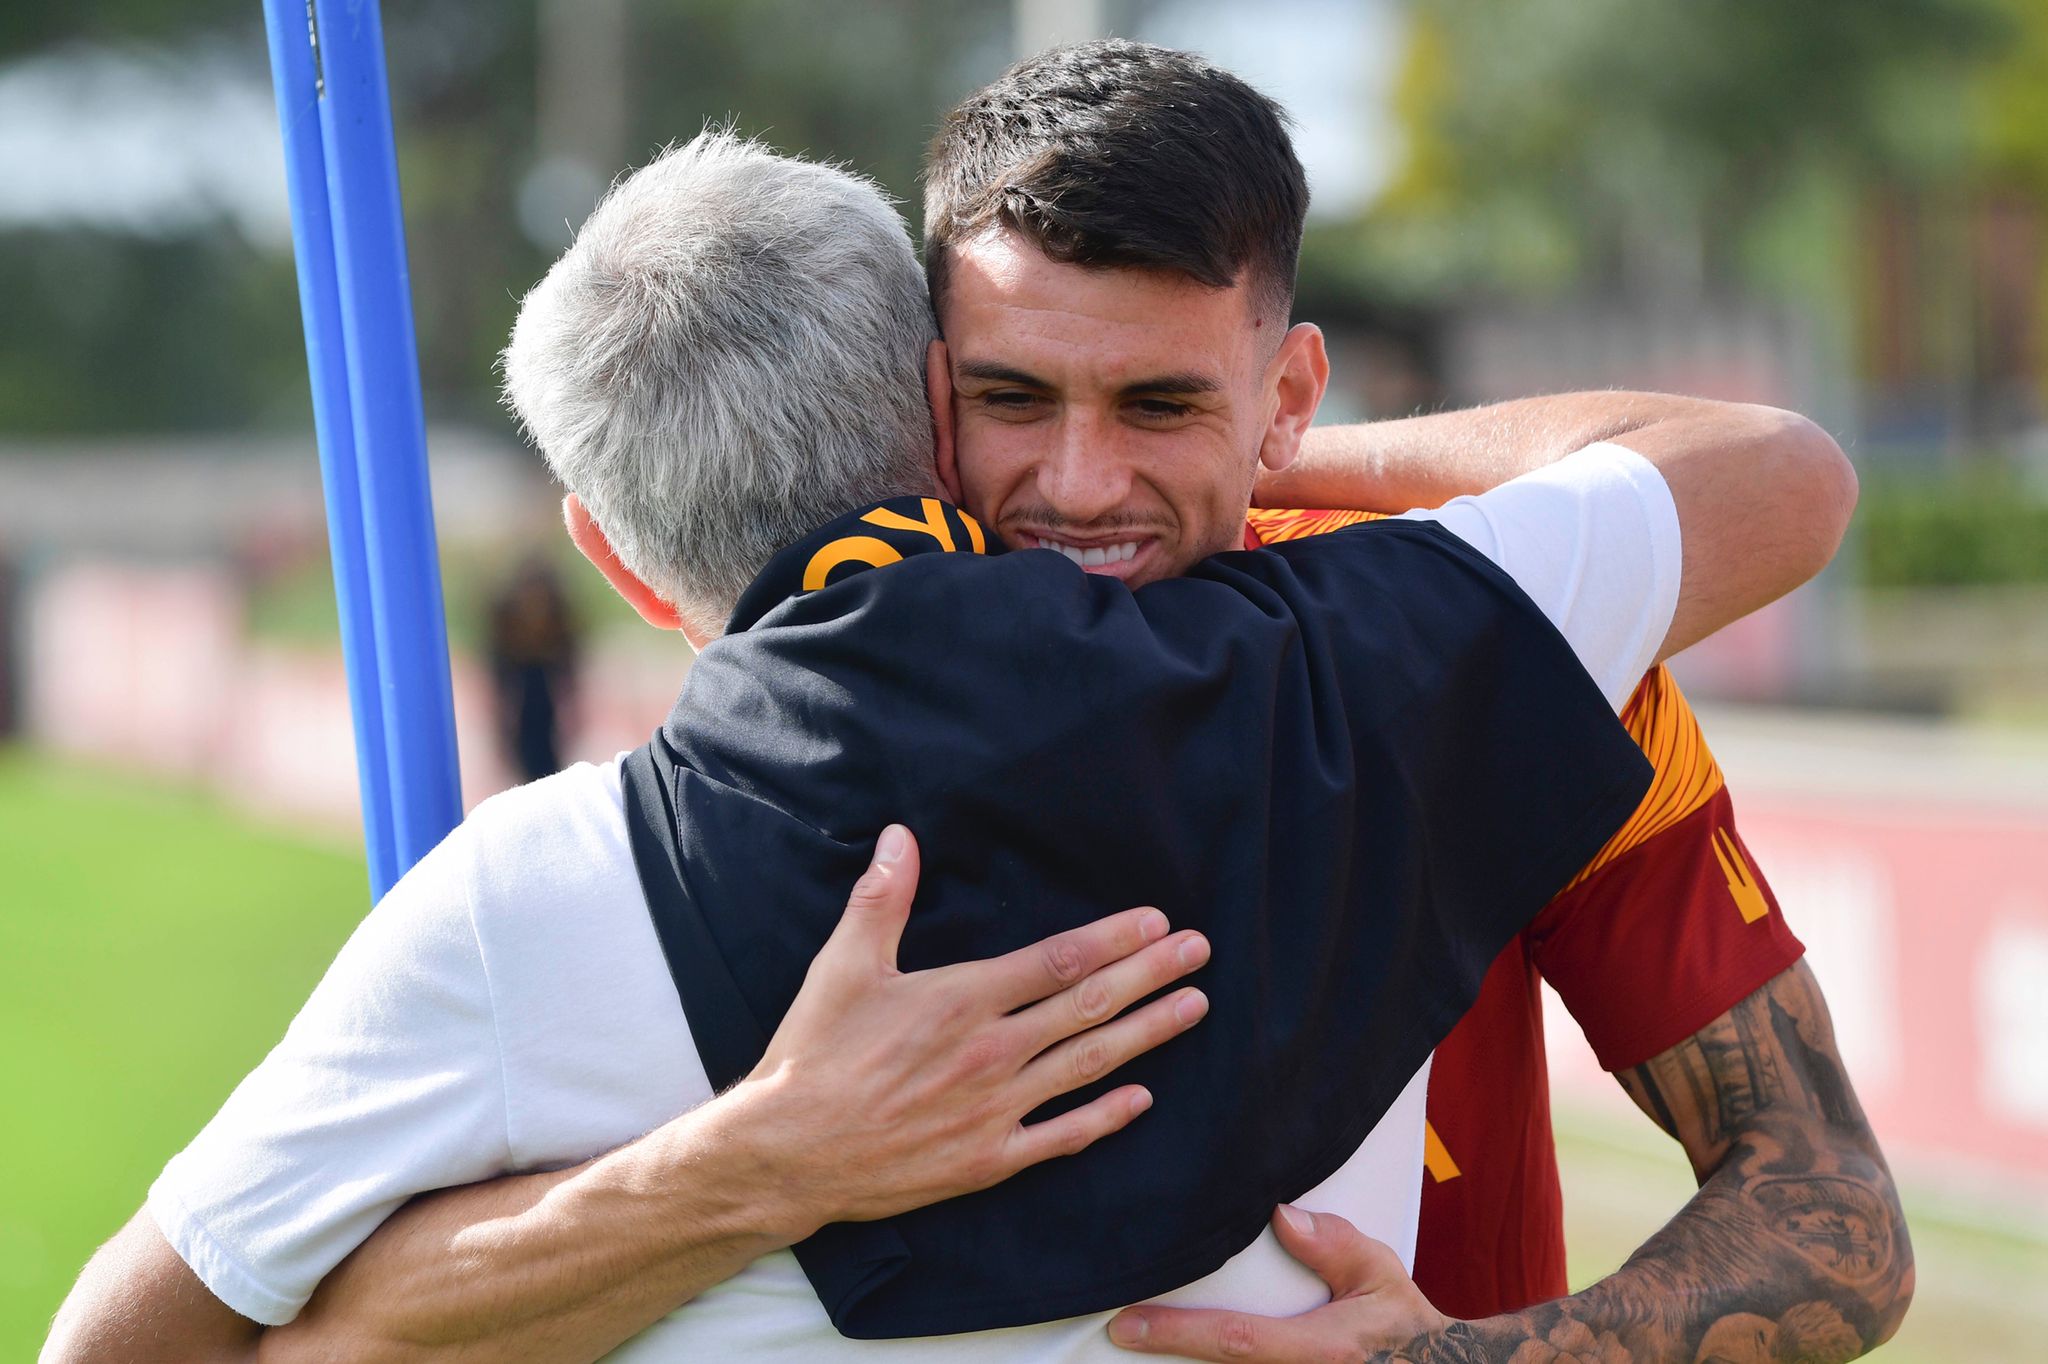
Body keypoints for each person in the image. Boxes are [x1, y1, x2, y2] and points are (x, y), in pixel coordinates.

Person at [44, 46, 1886, 1364]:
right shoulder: (624, 874)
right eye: (1016, 402)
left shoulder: (1498, 662)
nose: (1080, 487)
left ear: (1287, 392)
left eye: (1163, 404)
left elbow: (1839, 1227)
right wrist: (752, 1166)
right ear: (922, 410)